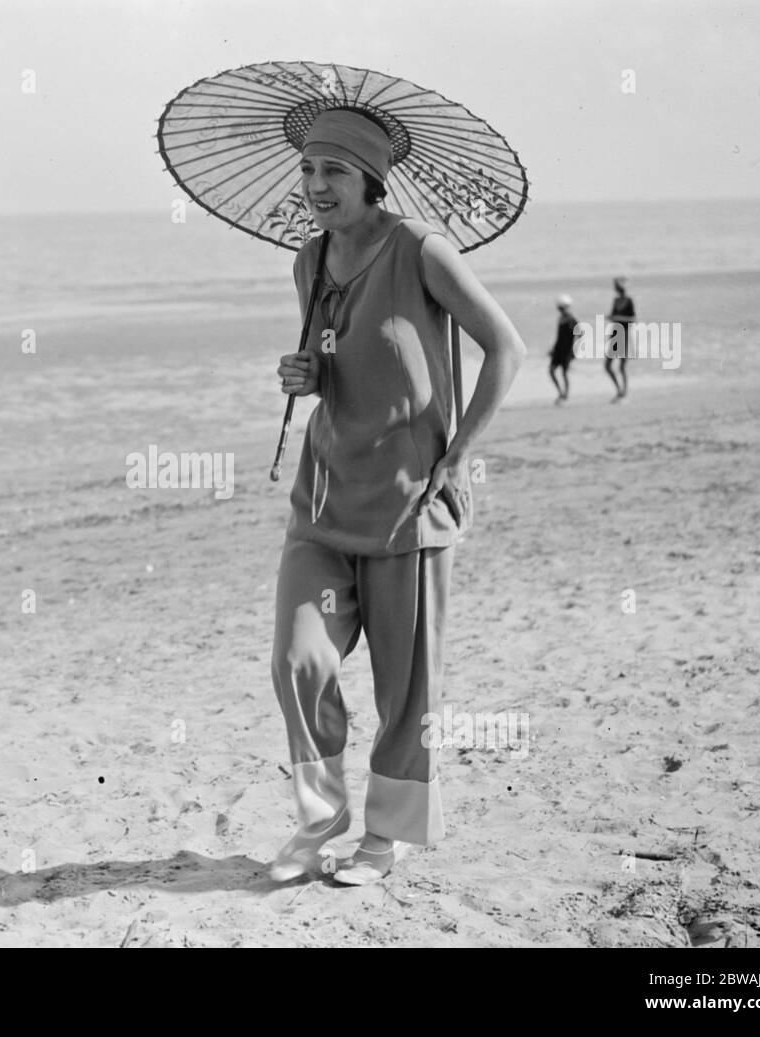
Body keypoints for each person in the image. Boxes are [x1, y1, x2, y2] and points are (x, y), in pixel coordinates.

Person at [271, 109, 526, 886]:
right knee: (298, 659)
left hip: (408, 504)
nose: (316, 186)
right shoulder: (308, 262)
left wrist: (459, 455)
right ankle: (321, 817)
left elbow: (505, 348)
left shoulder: (420, 249)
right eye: (309, 170)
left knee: (405, 688)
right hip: (322, 499)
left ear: (371, 179)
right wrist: (306, 374)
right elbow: (333, 355)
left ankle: (384, 837)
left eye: (334, 172)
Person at [604, 276, 634, 402]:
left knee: (622, 366)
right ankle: (619, 390)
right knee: (608, 365)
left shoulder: (629, 301)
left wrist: (617, 317)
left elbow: (632, 319)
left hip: (624, 333)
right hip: (615, 334)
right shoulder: (615, 300)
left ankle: (624, 392)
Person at [549, 294, 577, 403]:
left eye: (562, 308)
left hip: (567, 351)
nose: (561, 310)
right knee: (551, 371)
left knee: (564, 373)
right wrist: (553, 349)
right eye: (560, 308)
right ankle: (560, 393)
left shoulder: (571, 319)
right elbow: (559, 336)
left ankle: (566, 395)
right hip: (558, 350)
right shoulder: (560, 319)